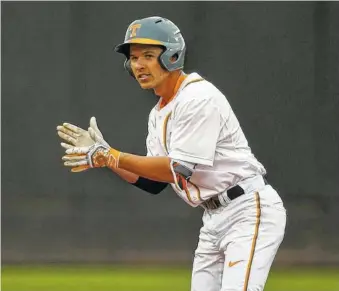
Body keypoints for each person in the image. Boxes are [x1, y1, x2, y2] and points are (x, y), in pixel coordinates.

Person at [57, 16, 286, 291]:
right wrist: (106, 159)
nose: (139, 64)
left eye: (149, 56)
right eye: (133, 58)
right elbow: (154, 182)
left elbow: (176, 169)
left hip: (248, 209)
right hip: (213, 219)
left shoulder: (198, 97)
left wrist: (111, 155)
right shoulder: (158, 114)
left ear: (173, 56)